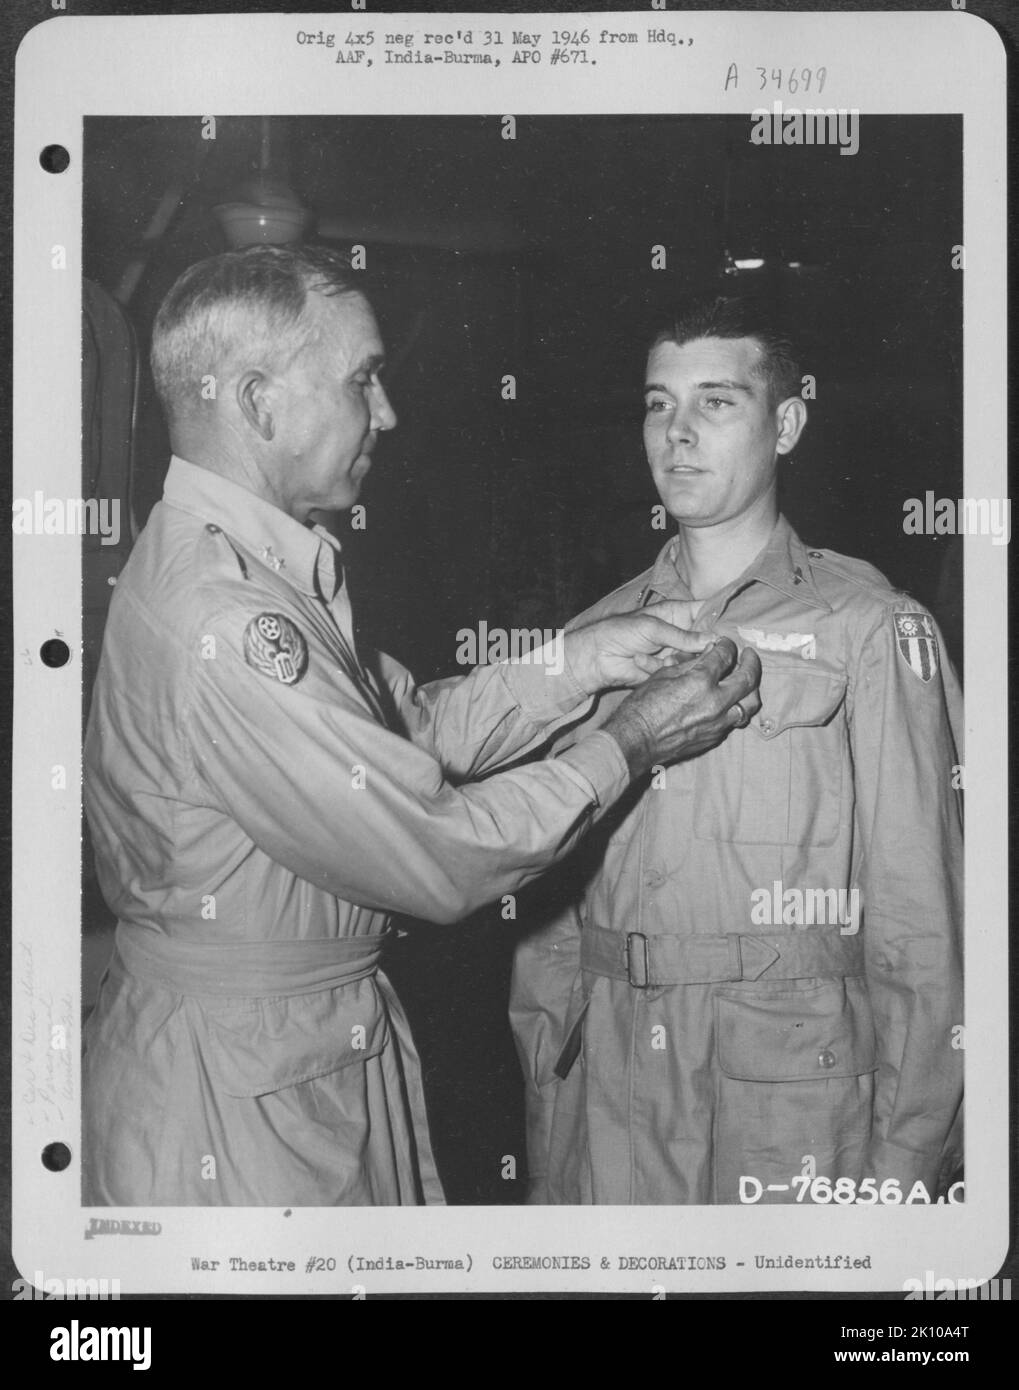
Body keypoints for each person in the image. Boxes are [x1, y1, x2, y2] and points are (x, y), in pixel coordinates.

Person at [81, 247, 762, 1206]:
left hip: (279, 1056)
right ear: (258, 401)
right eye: (362, 379)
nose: (388, 413)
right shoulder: (228, 620)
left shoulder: (254, 570)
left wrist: (583, 662)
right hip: (242, 1097)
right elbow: (436, 851)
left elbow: (401, 734)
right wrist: (633, 741)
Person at [510, 296, 964, 1205]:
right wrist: (547, 1092)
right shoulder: (598, 635)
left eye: (715, 402)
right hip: (608, 1088)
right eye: (655, 403)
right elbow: (550, 908)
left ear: (785, 424)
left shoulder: (871, 629)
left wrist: (906, 1164)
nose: (675, 434)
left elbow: (921, 925)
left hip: (785, 1101)